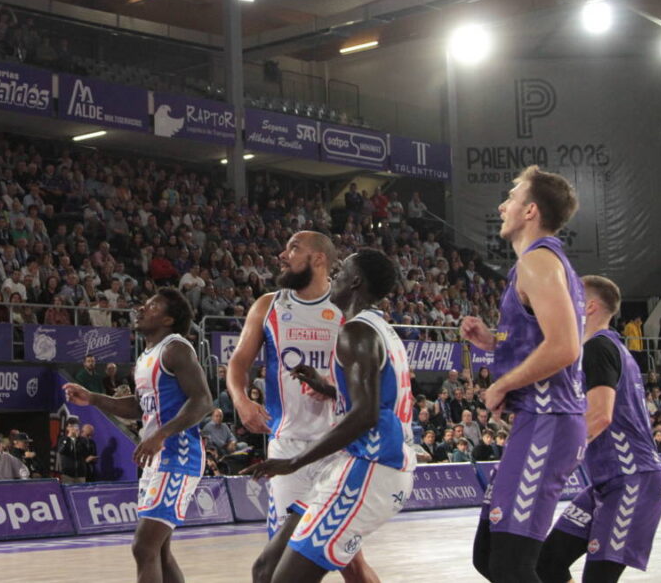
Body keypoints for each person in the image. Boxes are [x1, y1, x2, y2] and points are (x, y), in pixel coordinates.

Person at [243, 249, 416, 581]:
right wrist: (330, 390)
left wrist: (295, 462)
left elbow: (366, 415)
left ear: (355, 281)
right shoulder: (381, 330)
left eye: (339, 274)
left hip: (373, 466)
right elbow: (378, 403)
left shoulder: (357, 332)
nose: (332, 280)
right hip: (355, 464)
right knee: (265, 569)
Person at [226, 231, 377, 583]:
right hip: (287, 448)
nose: (283, 254)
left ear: (319, 259)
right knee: (277, 565)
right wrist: (242, 400)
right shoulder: (268, 305)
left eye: (294, 248)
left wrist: (333, 388)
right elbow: (237, 364)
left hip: (338, 449)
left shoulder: (347, 310)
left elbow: (369, 379)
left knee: (349, 561)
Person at [461, 166, 587, 583]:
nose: (502, 205)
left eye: (511, 197)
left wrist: (502, 383)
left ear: (530, 210)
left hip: (548, 423)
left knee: (512, 566)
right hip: (536, 422)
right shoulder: (537, 265)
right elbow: (543, 340)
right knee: (489, 557)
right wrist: (496, 345)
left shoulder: (538, 263)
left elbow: (565, 347)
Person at [63, 288, 212, 583]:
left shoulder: (175, 349)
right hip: (158, 457)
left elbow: (203, 400)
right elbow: (136, 406)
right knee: (159, 552)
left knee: (143, 547)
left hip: (178, 455)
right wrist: (93, 398)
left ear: (168, 319)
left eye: (152, 306)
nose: (141, 309)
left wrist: (162, 435)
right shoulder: (146, 356)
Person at [537, 276, 661, 583]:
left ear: (589, 306)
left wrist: (550, 462)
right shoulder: (613, 350)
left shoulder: (598, 348)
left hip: (632, 478)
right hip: (607, 482)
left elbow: (600, 416)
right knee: (547, 563)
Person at [56, 419, 88, 485]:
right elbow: (61, 450)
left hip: (80, 474)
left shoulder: (83, 440)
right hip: (67, 474)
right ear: (67, 428)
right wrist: (68, 438)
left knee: (80, 492)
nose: (74, 428)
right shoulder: (62, 439)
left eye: (75, 426)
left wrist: (78, 438)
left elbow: (85, 452)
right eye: (71, 426)